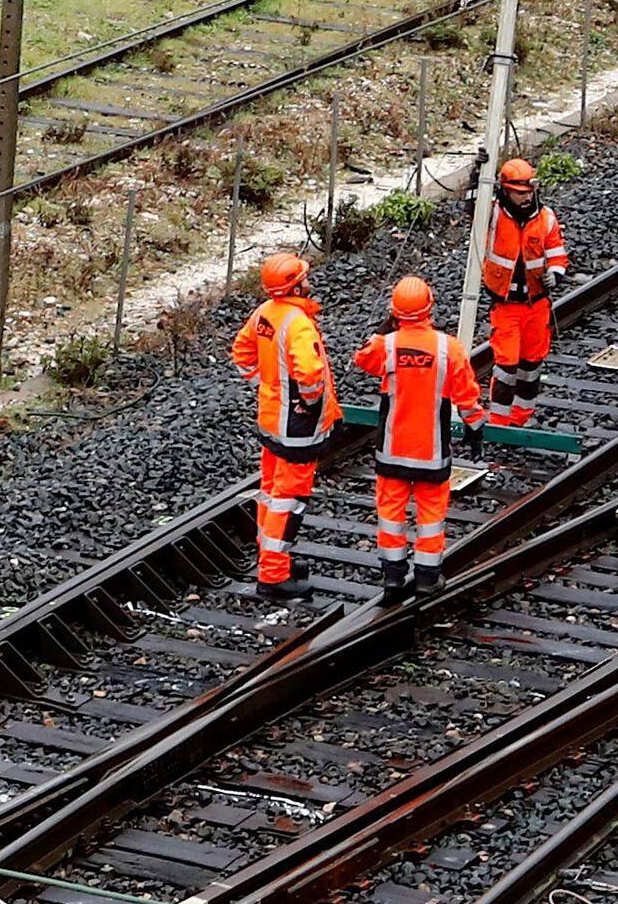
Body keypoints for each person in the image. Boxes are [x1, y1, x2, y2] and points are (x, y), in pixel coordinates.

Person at [348, 276, 488, 602]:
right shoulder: (448, 348)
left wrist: (385, 328)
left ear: (395, 311)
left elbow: (363, 359)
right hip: (432, 452)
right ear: (430, 307)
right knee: (430, 517)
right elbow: (468, 397)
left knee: (391, 515)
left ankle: (393, 578)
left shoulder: (387, 346)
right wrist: (475, 430)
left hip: (393, 451)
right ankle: (427, 577)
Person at [228, 253, 335, 602]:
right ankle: (273, 577)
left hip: (271, 421)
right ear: (296, 285)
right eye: (305, 276)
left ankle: (272, 560)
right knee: (289, 501)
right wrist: (309, 401)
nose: (309, 279)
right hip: (297, 428)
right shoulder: (298, 323)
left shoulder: (266, 314)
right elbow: (309, 375)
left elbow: (242, 352)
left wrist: (267, 385)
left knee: (271, 494)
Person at [476, 155, 569, 420]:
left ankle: (521, 418)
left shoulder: (545, 218)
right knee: (506, 365)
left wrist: (555, 274)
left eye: (529, 192)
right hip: (506, 306)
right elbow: (472, 206)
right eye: (519, 193)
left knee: (531, 366)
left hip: (536, 305)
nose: (526, 198)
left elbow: (557, 254)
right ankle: (500, 422)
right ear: (505, 190)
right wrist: (477, 173)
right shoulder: (493, 213)